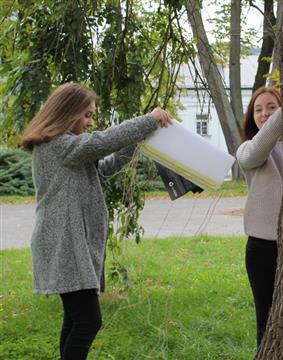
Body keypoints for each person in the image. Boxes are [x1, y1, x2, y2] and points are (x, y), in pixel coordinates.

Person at [20, 82, 172, 359]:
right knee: (89, 321)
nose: (90, 122)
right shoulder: (58, 145)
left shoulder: (68, 149)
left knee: (76, 319)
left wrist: (137, 141)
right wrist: (148, 121)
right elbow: (103, 142)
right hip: (65, 245)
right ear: (67, 113)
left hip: (67, 245)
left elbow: (104, 168)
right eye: (87, 115)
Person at [235, 87, 283, 347]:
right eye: (258, 109)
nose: (264, 113)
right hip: (263, 248)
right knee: (267, 322)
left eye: (271, 107)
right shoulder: (246, 150)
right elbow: (259, 148)